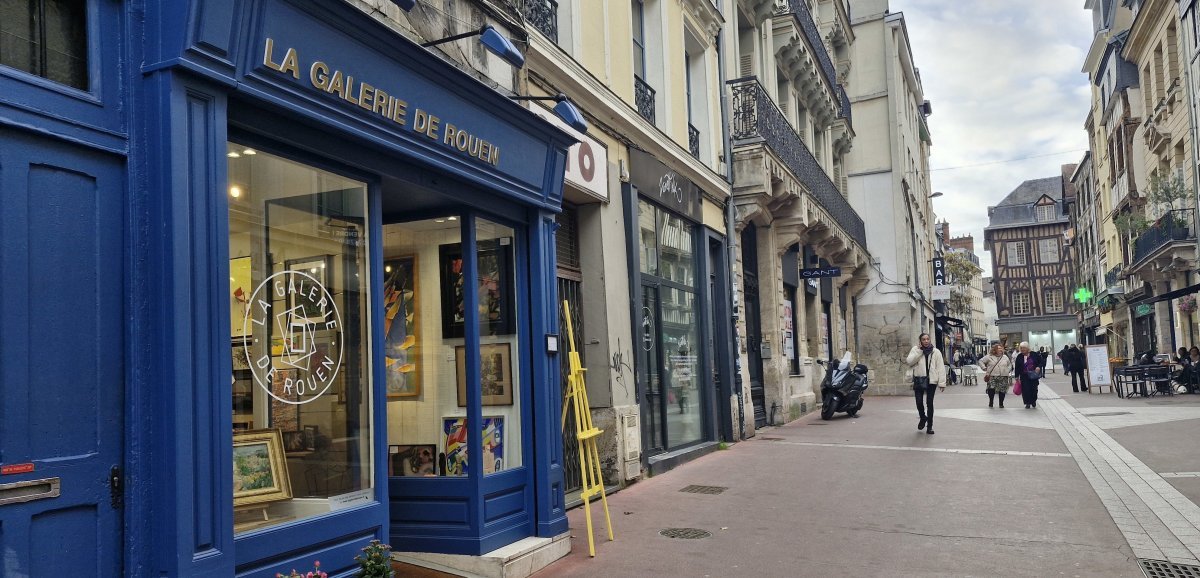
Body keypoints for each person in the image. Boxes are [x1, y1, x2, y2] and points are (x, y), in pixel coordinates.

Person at [906, 333, 947, 434]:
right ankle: (923, 417)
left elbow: (940, 367)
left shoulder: (936, 352)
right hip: (919, 379)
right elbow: (909, 361)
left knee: (929, 403)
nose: (926, 341)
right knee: (919, 402)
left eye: (928, 339)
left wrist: (942, 383)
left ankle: (930, 426)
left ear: (930, 340)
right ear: (920, 341)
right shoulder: (915, 350)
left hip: (931, 381)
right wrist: (920, 351)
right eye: (923, 339)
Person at [979, 343, 1013, 408]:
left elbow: (1009, 364)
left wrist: (1007, 370)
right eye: (998, 348)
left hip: (1003, 376)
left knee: (1002, 390)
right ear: (994, 350)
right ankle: (991, 401)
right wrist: (984, 368)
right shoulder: (989, 356)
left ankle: (1001, 403)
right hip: (992, 375)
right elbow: (981, 361)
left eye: (1001, 348)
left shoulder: (1005, 357)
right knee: (991, 389)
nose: (1000, 350)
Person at [1015, 342, 1041, 408]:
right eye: (1021, 348)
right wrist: (1016, 376)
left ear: (1027, 348)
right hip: (1024, 375)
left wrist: (1038, 367)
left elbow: (1041, 361)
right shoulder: (1019, 356)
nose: (1022, 349)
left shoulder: (1034, 354)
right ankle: (1027, 403)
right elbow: (1017, 367)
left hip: (1033, 375)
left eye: (1024, 348)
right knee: (1025, 390)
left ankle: (1033, 400)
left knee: (1034, 389)